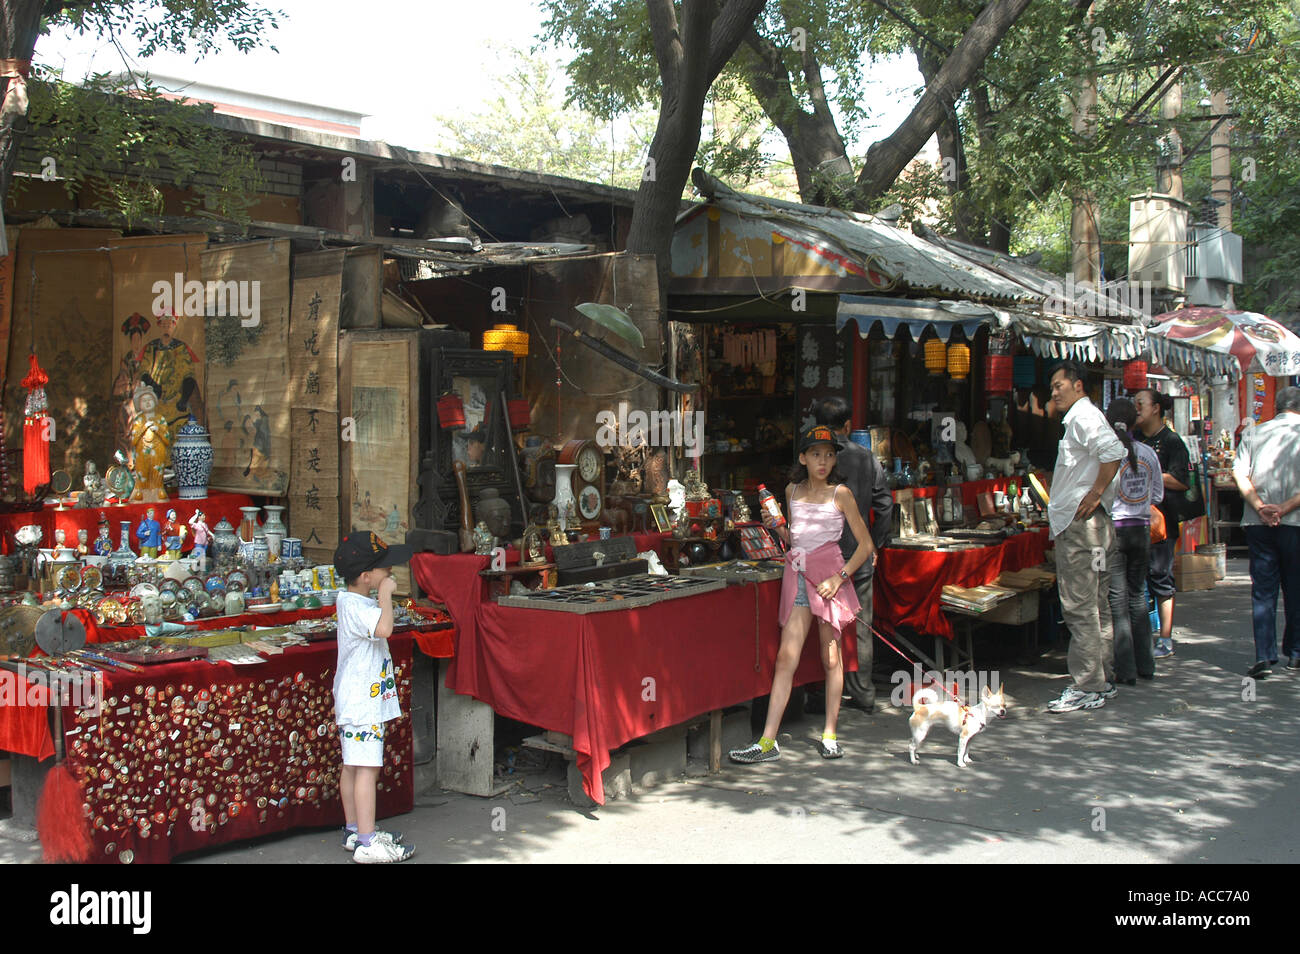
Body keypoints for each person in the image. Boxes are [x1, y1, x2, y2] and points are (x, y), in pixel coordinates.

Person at [730, 425, 877, 762]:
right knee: (786, 657)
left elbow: (865, 545)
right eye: (815, 454)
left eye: (828, 455)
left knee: (830, 658)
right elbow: (795, 539)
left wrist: (839, 580)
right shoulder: (792, 491)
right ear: (803, 458)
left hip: (829, 577)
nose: (822, 461)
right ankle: (767, 742)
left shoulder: (841, 493)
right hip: (798, 575)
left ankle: (829, 735)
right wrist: (776, 526)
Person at [1045, 363, 1126, 713]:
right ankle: (1101, 678)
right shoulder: (1084, 416)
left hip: (1083, 527)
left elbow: (1113, 452)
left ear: (1078, 385)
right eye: (1052, 388)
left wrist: (1094, 493)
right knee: (1096, 603)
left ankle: (1087, 684)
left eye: (1058, 385)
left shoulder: (1083, 416)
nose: (1054, 392)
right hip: (1095, 527)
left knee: (1081, 606)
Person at [333, 531, 416, 863]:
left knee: (353, 766)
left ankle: (354, 830)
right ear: (367, 577)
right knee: (366, 767)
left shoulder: (350, 601)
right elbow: (384, 629)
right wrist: (386, 595)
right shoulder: (356, 605)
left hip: (356, 701)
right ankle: (367, 842)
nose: (390, 573)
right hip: (361, 704)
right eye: (384, 569)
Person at [813, 397, 892, 710]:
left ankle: (822, 691)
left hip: (822, 556)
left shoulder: (811, 458)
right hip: (857, 555)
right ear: (847, 426)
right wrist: (875, 543)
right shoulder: (866, 457)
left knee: (824, 624)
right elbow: (884, 504)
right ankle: (863, 691)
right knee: (862, 625)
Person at [1233, 386, 1300, 677]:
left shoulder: (1253, 433)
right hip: (1295, 523)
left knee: (1263, 589)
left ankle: (1264, 656)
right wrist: (1284, 508)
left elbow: (1239, 473)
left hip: (1257, 523)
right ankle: (1296, 653)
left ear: (1276, 406)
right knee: (1295, 588)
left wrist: (1261, 507)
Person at [1104, 397, 1163, 685]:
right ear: (1134, 421)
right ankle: (1146, 664)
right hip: (1141, 530)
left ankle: (1125, 670)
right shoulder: (1149, 453)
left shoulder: (1108, 455)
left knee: (1117, 600)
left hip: (1114, 530)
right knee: (1138, 596)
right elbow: (1158, 496)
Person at [1134, 388, 1192, 658]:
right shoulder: (1132, 439)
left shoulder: (1171, 441)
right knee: (1136, 579)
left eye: (1140, 403)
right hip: (1133, 521)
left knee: (1161, 578)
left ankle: (1165, 638)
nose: (1137, 408)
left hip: (1162, 523)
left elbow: (1182, 480)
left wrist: (1152, 473)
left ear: (1156, 408)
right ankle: (1140, 638)